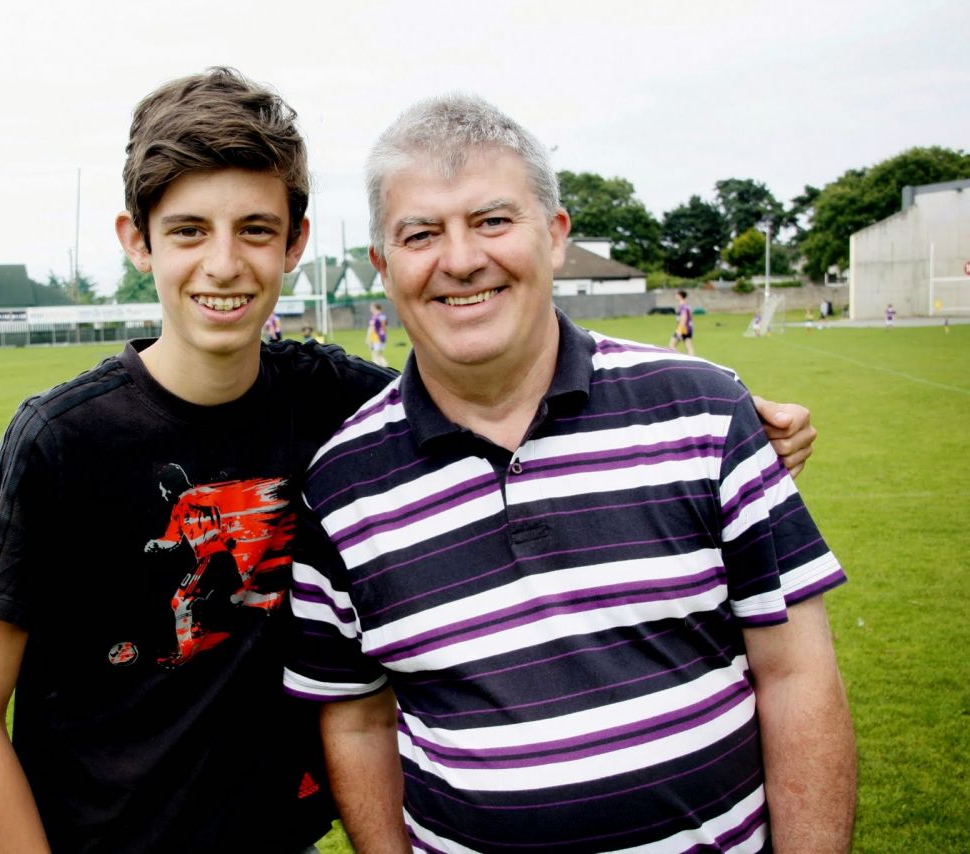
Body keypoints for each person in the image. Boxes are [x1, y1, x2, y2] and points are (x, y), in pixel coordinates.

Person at [0, 69, 819, 853]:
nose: (224, 263)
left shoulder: (334, 403)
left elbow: (486, 367)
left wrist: (728, 409)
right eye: (187, 231)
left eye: (255, 230)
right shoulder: (63, 439)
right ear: (139, 242)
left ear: (294, 243)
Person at [283, 94, 855, 853]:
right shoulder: (341, 485)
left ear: (554, 237)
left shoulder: (706, 411)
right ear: (383, 268)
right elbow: (358, 717)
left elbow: (796, 676)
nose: (460, 259)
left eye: (492, 221)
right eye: (422, 233)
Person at [669, 288, 695, 354]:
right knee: (688, 347)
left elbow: (684, 318)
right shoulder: (686, 305)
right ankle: (692, 361)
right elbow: (691, 317)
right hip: (688, 328)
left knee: (671, 345)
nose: (675, 296)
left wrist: (679, 330)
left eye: (676, 295)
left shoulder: (683, 306)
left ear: (680, 296)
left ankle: (681, 358)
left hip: (683, 329)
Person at [366, 302, 390, 367]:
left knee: (375, 354)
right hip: (382, 336)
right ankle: (385, 366)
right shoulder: (382, 316)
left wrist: (368, 338)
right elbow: (385, 327)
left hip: (376, 337)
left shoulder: (376, 317)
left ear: (375, 308)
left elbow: (372, 328)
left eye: (371, 308)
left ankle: (378, 367)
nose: (370, 309)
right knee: (379, 354)